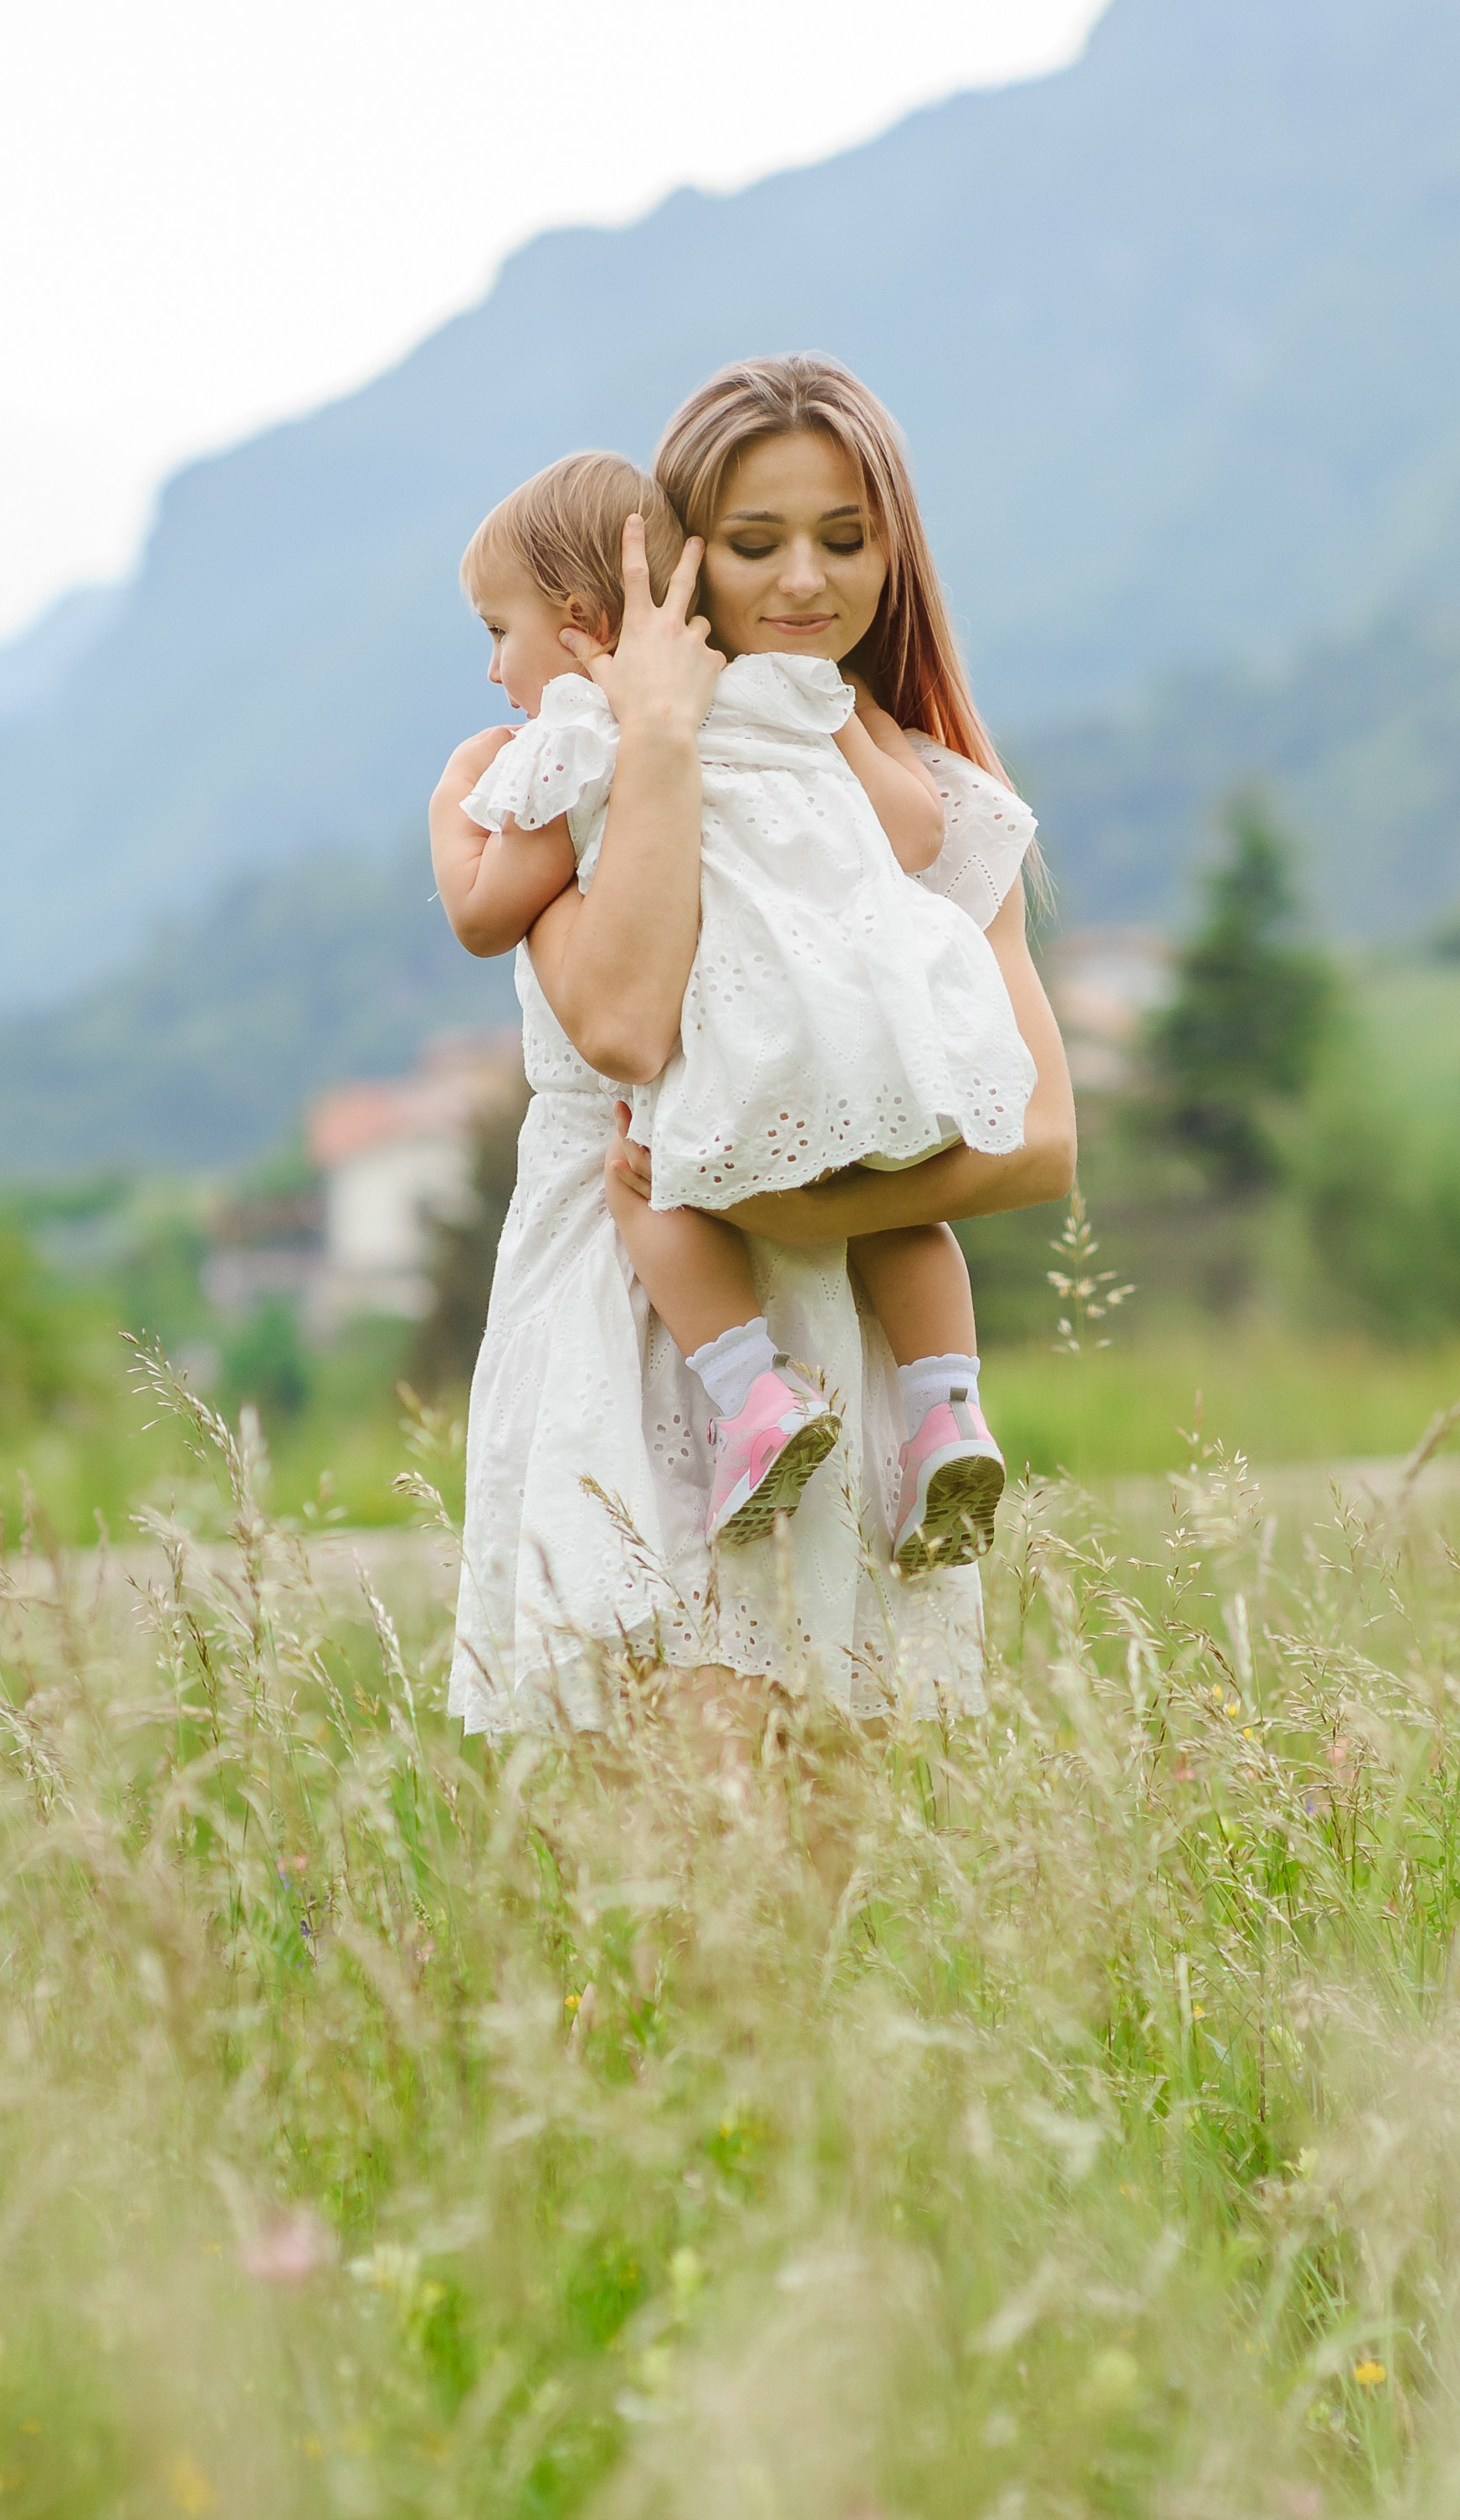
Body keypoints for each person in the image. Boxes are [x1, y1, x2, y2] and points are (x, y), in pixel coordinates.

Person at [430, 357, 1075, 1736]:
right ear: (672, 560)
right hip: (627, 1315)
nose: (802, 580)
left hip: (820, 1296)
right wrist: (660, 736)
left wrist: (798, 1208)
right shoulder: (595, 762)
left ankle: (929, 1417)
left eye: (845, 539)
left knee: (821, 1814)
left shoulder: (890, 772)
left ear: (895, 553)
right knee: (667, 1802)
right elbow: (622, 1029)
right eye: (751, 541)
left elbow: (1041, 1145)